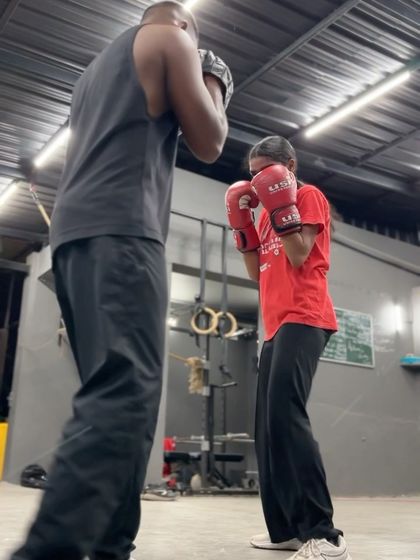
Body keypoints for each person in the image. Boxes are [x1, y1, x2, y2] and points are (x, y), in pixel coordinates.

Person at [11, 2, 232, 560]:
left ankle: (113, 547)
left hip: (73, 238)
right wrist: (215, 83)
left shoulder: (95, 71)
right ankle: (49, 551)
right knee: (125, 395)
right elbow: (210, 141)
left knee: (124, 398)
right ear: (184, 25)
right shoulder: (171, 38)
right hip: (124, 229)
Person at [225, 136, 351, 560]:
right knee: (267, 429)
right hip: (275, 326)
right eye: (253, 174)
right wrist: (244, 227)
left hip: (306, 316)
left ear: (289, 166)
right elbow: (256, 273)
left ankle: (325, 535)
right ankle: (286, 530)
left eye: (265, 171)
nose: (258, 180)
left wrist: (282, 206)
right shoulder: (263, 215)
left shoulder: (309, 196)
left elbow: (298, 255)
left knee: (286, 416)